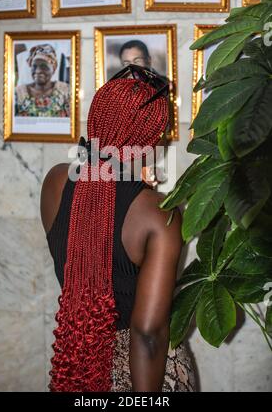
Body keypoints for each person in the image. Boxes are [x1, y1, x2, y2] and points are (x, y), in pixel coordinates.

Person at [40, 67, 196, 392]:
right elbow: (148, 335)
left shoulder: (56, 181)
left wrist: (135, 181)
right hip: (145, 374)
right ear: (149, 138)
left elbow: (96, 225)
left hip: (79, 357)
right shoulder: (157, 213)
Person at [15, 44, 70, 118]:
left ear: (53, 69)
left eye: (44, 66)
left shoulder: (65, 91)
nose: (38, 71)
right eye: (34, 66)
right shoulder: (19, 92)